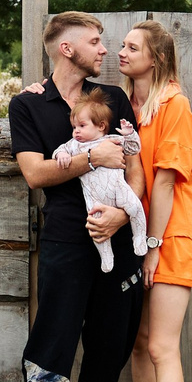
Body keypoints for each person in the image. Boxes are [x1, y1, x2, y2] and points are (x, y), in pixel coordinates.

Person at [5, 12, 144, 382]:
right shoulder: (29, 106)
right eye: (94, 41)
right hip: (67, 239)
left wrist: (124, 216)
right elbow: (36, 174)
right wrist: (91, 157)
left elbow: (137, 167)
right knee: (54, 339)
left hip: (119, 239)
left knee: (112, 342)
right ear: (66, 49)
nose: (104, 50)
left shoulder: (113, 99)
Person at [109, 19, 192, 382]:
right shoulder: (135, 109)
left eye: (131, 47)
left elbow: (164, 183)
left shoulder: (176, 107)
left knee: (163, 348)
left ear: (157, 58)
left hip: (169, 240)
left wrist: (152, 247)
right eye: (121, 46)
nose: (120, 53)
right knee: (142, 347)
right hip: (144, 241)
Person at [50, 91, 146, 273]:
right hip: (94, 197)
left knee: (134, 207)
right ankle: (106, 255)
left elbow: (134, 149)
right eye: (74, 127)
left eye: (81, 125)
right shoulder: (74, 145)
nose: (76, 131)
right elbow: (60, 150)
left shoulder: (112, 139)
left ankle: (139, 236)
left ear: (101, 126)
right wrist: (61, 155)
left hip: (118, 189)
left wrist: (130, 133)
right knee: (96, 227)